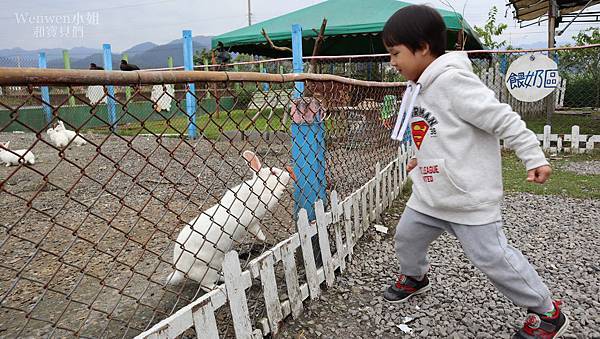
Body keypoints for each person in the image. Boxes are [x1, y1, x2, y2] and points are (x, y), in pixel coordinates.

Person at [381, 5, 568, 339]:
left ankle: (546, 311)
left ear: (423, 47)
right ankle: (416, 277)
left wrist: (532, 155)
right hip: (430, 195)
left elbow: (502, 118)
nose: (392, 62)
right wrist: (419, 158)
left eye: (396, 54)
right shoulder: (420, 86)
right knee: (406, 238)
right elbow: (437, 132)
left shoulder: (453, 81)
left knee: (494, 259)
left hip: (468, 199)